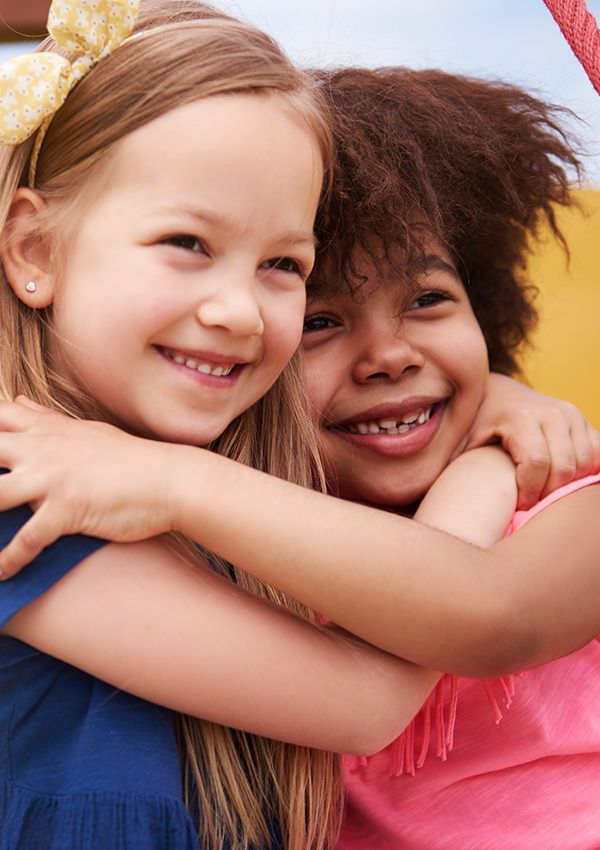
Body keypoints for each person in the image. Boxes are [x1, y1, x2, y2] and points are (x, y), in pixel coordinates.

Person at [2, 64, 597, 848]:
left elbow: (496, 611)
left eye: (429, 300)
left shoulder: (569, 501)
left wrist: (492, 410)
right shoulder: (55, 478)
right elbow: (370, 697)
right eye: (320, 321)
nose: (388, 354)